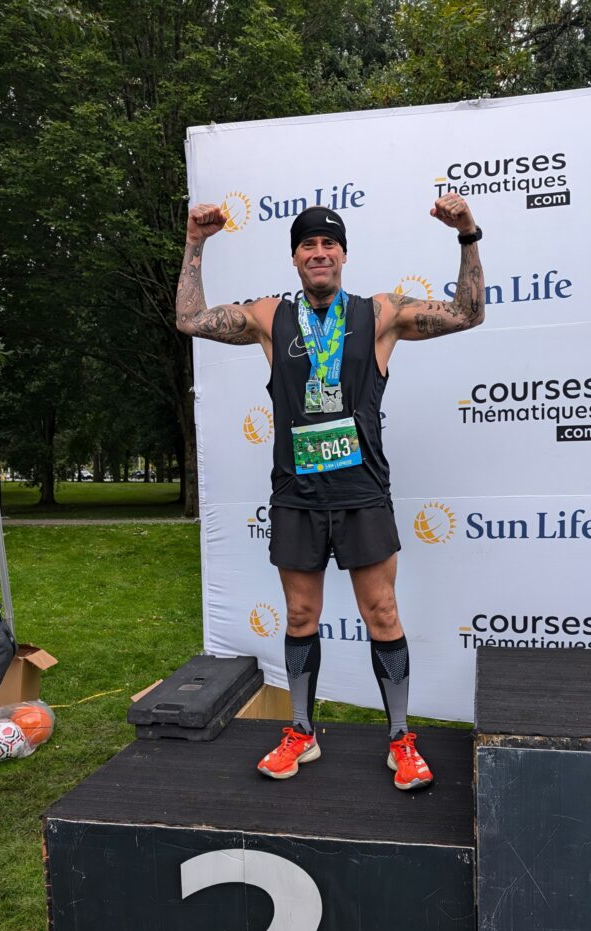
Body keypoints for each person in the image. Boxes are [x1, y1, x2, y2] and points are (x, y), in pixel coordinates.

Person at [177, 194, 485, 791]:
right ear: (295, 258)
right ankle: (301, 731)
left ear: (343, 253)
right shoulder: (271, 316)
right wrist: (195, 244)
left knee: (383, 612)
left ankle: (400, 738)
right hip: (296, 495)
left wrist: (468, 234)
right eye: (307, 245)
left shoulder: (382, 312)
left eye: (328, 243)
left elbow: (468, 313)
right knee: (300, 615)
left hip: (361, 493)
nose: (319, 253)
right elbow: (190, 321)